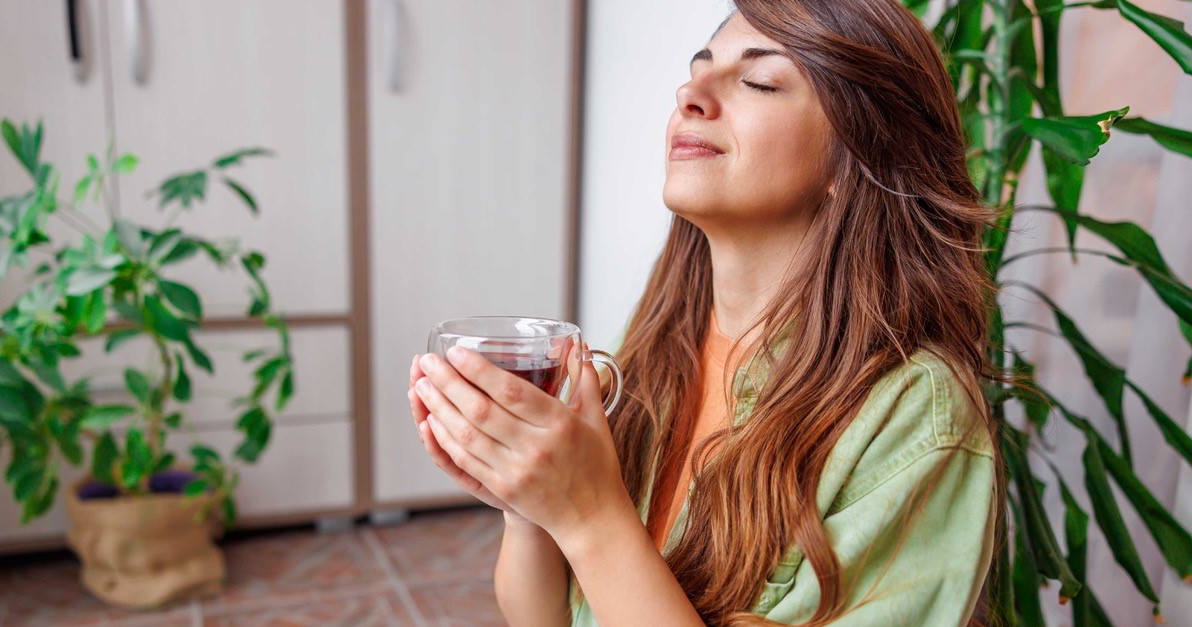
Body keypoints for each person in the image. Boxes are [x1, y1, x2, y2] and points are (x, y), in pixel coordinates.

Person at [406, 1, 1002, 624]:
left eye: (758, 82)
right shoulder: (657, 348)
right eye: (698, 70)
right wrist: (528, 504)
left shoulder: (916, 415)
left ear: (856, 153)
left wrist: (588, 514)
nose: (691, 93)